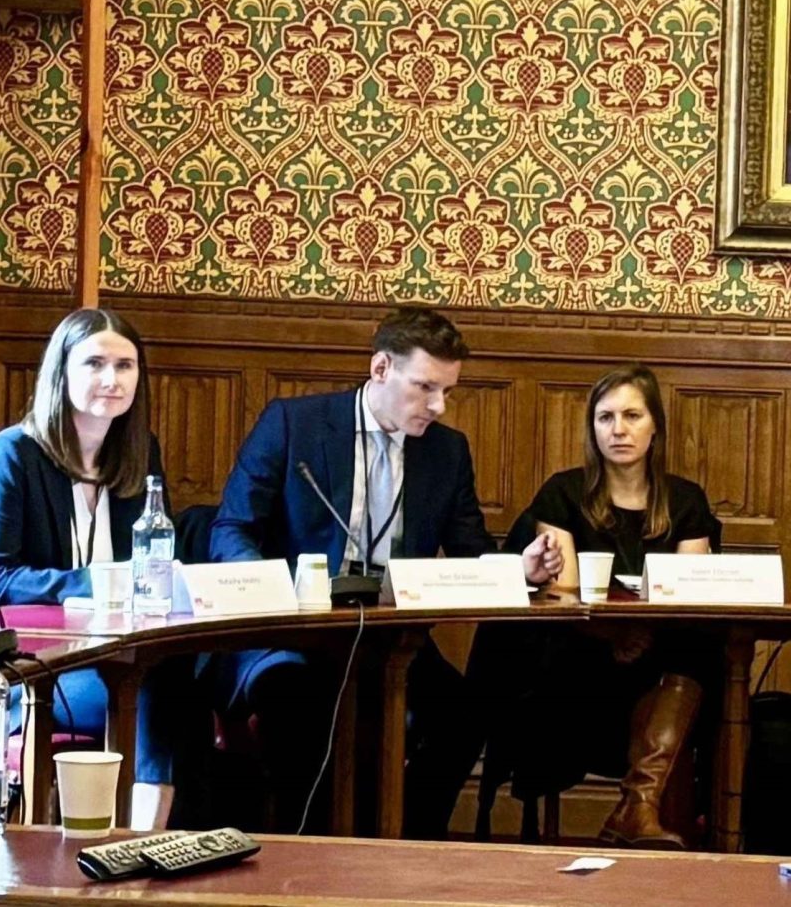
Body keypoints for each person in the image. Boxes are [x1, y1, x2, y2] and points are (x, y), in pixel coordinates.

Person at [210, 307, 562, 837]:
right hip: (293, 634)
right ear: (380, 369)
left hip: (391, 641)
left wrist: (522, 570)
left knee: (462, 718)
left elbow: (469, 552)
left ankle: (402, 845)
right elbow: (231, 529)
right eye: (425, 388)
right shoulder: (294, 425)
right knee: (297, 708)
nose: (439, 406)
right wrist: (274, 590)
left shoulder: (446, 451)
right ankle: (306, 860)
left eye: (447, 390)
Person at [481, 366, 723, 847]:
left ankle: (639, 805)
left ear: (655, 426)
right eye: (605, 417)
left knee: (703, 653)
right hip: (581, 657)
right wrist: (616, 635)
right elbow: (564, 592)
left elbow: (689, 595)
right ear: (592, 429)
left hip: (659, 651)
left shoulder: (686, 500)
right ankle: (638, 810)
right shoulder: (564, 492)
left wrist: (642, 635)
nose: (619, 429)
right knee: (576, 658)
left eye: (632, 415)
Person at [0, 308, 182, 829]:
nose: (112, 379)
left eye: (126, 366)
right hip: (36, 663)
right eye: (95, 363)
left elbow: (155, 565)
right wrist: (104, 582)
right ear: (60, 372)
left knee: (186, 679)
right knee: (154, 690)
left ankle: (165, 844)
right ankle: (137, 843)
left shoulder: (140, 455)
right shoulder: (12, 454)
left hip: (122, 648)